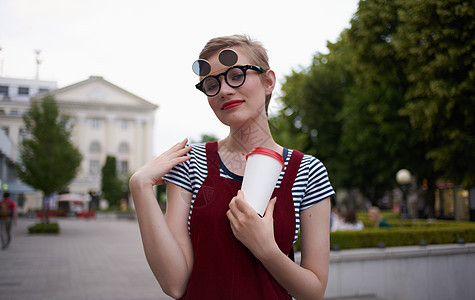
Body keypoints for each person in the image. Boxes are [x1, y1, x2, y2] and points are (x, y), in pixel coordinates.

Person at [129, 34, 334, 300]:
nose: (224, 89)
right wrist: (140, 186)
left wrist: (266, 249)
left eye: (237, 75)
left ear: (268, 81)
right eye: (212, 83)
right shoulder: (190, 163)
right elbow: (175, 284)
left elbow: (314, 291)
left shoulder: (308, 171)